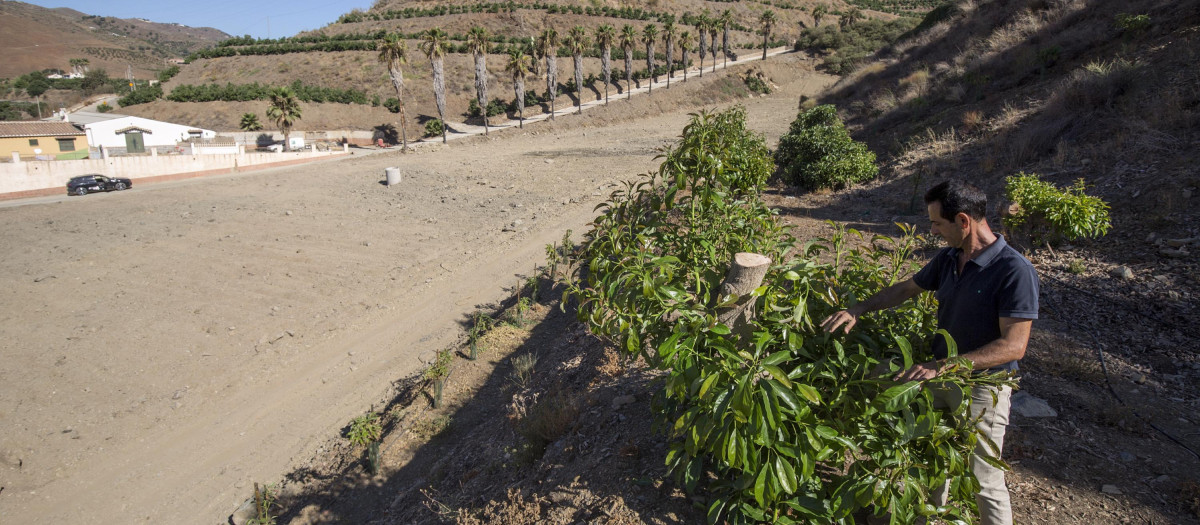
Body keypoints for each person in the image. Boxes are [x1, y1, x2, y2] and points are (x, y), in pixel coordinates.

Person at [820, 179, 1039, 525]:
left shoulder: (1014, 271)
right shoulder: (951, 258)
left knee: (984, 478)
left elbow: (1014, 346)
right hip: (939, 373)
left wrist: (943, 367)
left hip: (982, 387)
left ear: (963, 221)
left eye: (938, 223)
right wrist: (858, 309)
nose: (933, 230)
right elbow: (907, 289)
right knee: (931, 456)